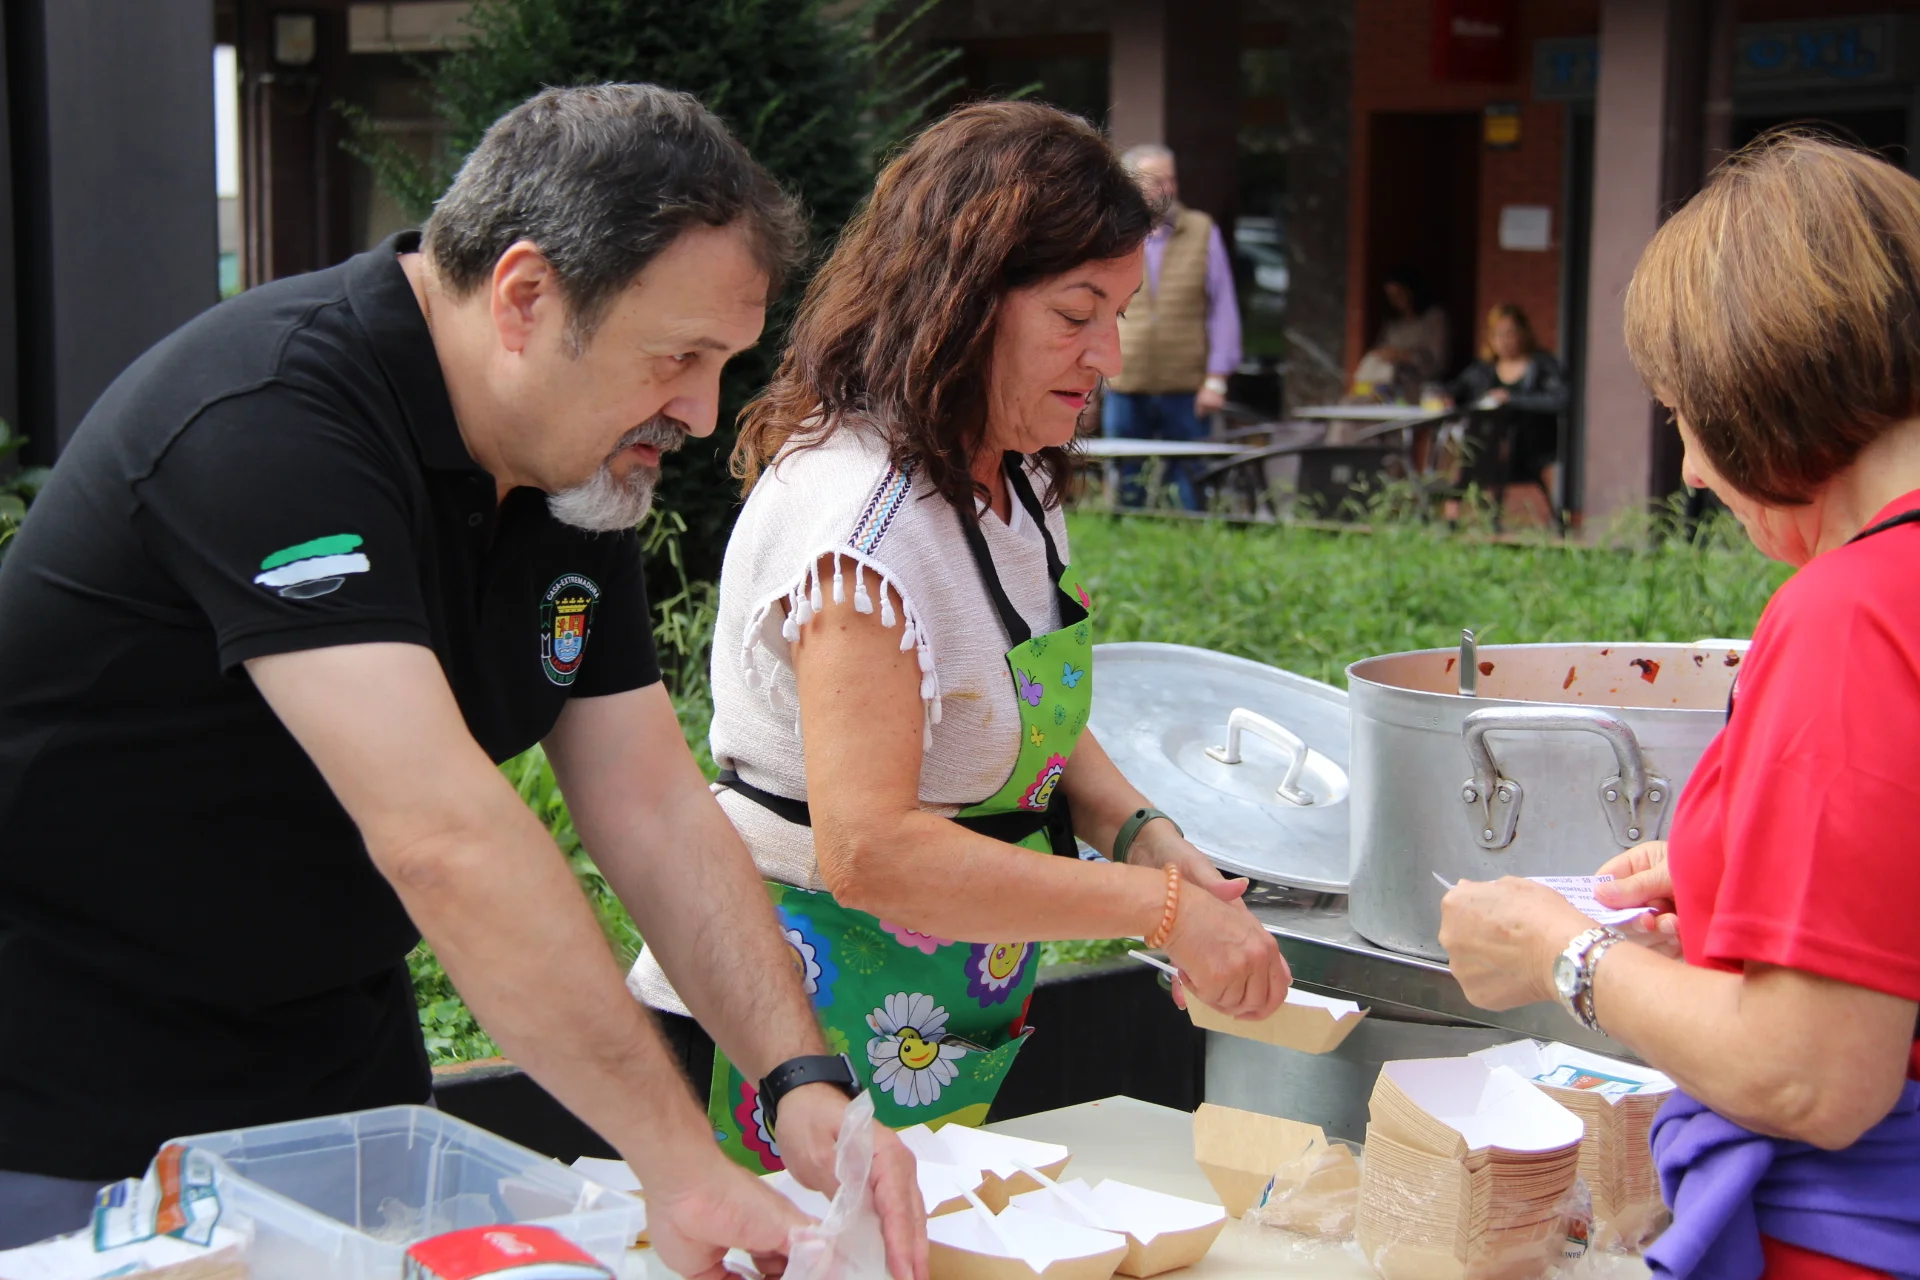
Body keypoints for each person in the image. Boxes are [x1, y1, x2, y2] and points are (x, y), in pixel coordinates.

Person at [0, 84, 927, 1276]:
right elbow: (444, 836)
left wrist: (800, 1079)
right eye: (678, 357)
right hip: (69, 1104)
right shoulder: (272, 420)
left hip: (337, 1086)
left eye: (722, 364)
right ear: (526, 296)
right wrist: (676, 1159)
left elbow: (650, 802)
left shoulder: (573, 461)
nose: (699, 414)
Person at [628, 102, 1289, 1171]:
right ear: (962, 303)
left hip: (941, 1003)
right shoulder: (862, 524)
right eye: (1076, 315)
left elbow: (1020, 709)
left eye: (1120, 314)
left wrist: (1144, 836)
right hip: (788, 1017)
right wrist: (1161, 911)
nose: (1110, 356)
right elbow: (872, 851)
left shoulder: (1014, 475)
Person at [1438, 132, 1920, 1279]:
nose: (1694, 470)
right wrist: (1733, 877)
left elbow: (1811, 1073)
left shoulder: (1851, 612)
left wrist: (1562, 952)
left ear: (1758, 386)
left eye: (1682, 414)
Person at [1099, 143, 1242, 510]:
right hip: (1126, 381)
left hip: (1186, 383)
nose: (1166, 189)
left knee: (1191, 484)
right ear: (1131, 183)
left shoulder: (1201, 229)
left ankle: (1191, 538)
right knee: (1127, 484)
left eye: (1171, 180)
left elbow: (1223, 308)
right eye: (1155, 180)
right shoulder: (1112, 230)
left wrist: (1216, 379)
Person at [1445, 304, 1570, 526]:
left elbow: (1560, 400)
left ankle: (1456, 505)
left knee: (1480, 445)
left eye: (1509, 333)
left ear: (1523, 332)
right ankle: (1456, 510)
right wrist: (1444, 397)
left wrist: (1512, 399)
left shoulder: (1542, 365)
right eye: (1497, 334)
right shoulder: (1484, 369)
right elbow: (1456, 390)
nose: (1504, 340)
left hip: (1530, 444)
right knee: (1474, 441)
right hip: (1488, 445)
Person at [1354, 266, 1448, 403]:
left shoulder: (1435, 319)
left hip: (1418, 387)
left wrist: (1402, 355)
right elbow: (1380, 351)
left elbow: (1437, 363)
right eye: (1391, 296)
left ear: (1412, 291)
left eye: (1400, 293)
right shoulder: (1392, 324)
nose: (1396, 300)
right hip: (1384, 385)